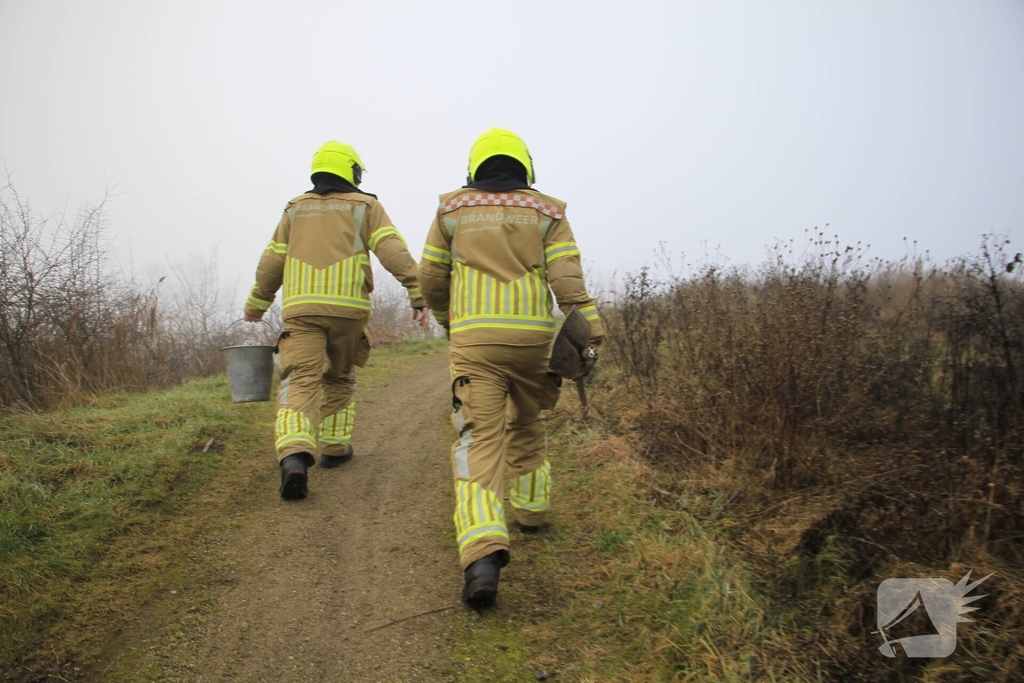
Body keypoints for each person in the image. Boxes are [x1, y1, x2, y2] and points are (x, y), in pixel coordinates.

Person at [418, 128, 603, 606]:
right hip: (534, 341)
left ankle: (482, 556)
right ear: (525, 166)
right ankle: (532, 513)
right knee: (527, 422)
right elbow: (565, 276)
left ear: (474, 167)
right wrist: (591, 326)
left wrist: (447, 320)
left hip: (475, 342)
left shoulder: (451, 209)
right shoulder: (548, 211)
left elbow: (432, 276)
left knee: (478, 438)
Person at [244, 140, 427, 500]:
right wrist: (417, 291)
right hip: (348, 311)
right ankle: (334, 449)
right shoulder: (365, 205)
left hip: (302, 310)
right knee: (340, 377)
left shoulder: (295, 209)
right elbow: (391, 248)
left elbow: (272, 259)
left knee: (300, 380)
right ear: (353, 172)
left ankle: (294, 456)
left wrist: (257, 302)